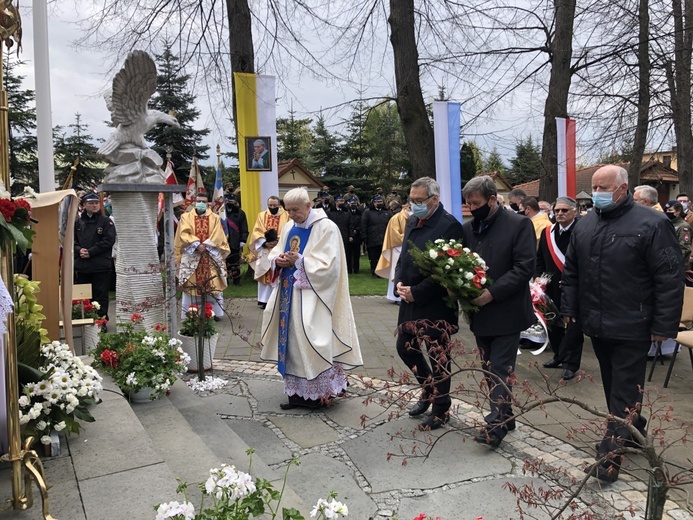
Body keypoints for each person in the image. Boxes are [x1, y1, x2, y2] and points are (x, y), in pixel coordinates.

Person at [561, 165, 684, 483]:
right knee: (615, 386)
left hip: (634, 323)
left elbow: (669, 278)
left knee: (625, 388)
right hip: (597, 323)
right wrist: (569, 309)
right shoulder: (586, 225)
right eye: (595, 187)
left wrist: (664, 326)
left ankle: (610, 453)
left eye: (604, 187)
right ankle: (634, 430)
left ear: (623, 188)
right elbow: (572, 271)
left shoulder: (653, 223)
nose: (598, 193)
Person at [260, 187, 363, 409]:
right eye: (288, 210)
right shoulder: (289, 226)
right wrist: (277, 260)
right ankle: (296, 395)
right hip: (289, 294)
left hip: (314, 298)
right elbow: (276, 250)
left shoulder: (327, 228)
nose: (291, 215)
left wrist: (300, 261)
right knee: (292, 344)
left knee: (313, 340)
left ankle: (320, 395)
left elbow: (330, 266)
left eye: (295, 210)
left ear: (309, 205)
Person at [461, 175, 536, 448]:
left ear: (493, 200)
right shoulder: (470, 229)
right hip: (480, 313)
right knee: (489, 367)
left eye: (476, 203)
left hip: (507, 310)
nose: (471, 207)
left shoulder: (519, 224)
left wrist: (493, 292)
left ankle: (496, 426)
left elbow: (524, 267)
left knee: (500, 370)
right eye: (468, 203)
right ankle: (507, 414)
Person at [395, 177, 464, 430]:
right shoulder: (413, 220)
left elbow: (446, 273)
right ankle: (428, 389)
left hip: (435, 305)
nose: (413, 205)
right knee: (405, 347)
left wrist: (417, 292)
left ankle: (441, 409)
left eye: (419, 201)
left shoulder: (449, 226)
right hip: (409, 300)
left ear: (434, 199)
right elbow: (404, 256)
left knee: (438, 358)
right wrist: (400, 283)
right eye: (411, 200)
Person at [536, 197, 584, 381]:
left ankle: (571, 364)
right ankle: (558, 355)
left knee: (573, 326)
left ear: (574, 211)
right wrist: (538, 277)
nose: (560, 214)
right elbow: (539, 258)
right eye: (557, 211)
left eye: (564, 210)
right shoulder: (548, 232)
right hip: (550, 285)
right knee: (553, 323)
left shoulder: (581, 231)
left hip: (574, 286)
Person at [174, 193, 230, 319]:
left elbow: (218, 235)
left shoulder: (215, 218)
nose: (201, 203)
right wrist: (196, 245)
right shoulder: (185, 217)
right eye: (199, 201)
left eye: (204, 201)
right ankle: (191, 313)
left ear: (208, 203)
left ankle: (214, 313)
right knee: (191, 283)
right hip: (192, 255)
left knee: (213, 282)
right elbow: (183, 234)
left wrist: (206, 245)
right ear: (194, 202)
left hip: (209, 255)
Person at [74, 193, 117, 332]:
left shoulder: (105, 221)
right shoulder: (78, 222)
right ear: (84, 205)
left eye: (96, 203)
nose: (94, 205)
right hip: (83, 266)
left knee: (100, 295)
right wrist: (79, 250)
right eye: (91, 203)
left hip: (100, 266)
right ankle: (86, 320)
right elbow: (71, 240)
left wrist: (91, 251)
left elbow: (109, 240)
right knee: (84, 295)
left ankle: (101, 321)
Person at [248, 196, 291, 309]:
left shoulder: (286, 216)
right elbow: (257, 230)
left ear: (279, 205)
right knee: (264, 271)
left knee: (277, 272)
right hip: (265, 249)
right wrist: (264, 243)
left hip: (279, 249)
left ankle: (277, 298)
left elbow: (288, 230)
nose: (272, 207)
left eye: (274, 205)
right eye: (270, 205)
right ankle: (264, 300)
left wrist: (278, 241)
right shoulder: (262, 215)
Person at [375, 202, 411, 302]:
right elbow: (395, 235)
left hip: (409, 248)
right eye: (410, 208)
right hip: (397, 249)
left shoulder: (414, 218)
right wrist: (410, 237)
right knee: (396, 273)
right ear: (406, 207)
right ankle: (396, 296)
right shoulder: (396, 218)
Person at [361, 195, 392, 277]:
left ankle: (383, 272)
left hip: (384, 239)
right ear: (374, 203)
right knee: (373, 257)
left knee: (383, 257)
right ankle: (374, 272)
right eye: (377, 202)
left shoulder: (387, 212)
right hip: (372, 238)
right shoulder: (367, 212)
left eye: (381, 202)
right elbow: (363, 225)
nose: (379, 203)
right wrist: (365, 238)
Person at [224, 194, 249, 286]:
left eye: (231, 201)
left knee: (234, 263)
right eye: (227, 201)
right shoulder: (221, 213)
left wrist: (243, 240)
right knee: (223, 262)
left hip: (235, 241)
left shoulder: (240, 213)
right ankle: (224, 281)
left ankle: (236, 281)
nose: (229, 203)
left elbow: (244, 228)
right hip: (223, 242)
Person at [664, 200, 692, 269]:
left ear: (678, 211)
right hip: (666, 261)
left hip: (677, 265)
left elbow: (684, 249)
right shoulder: (667, 223)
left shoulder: (683, 226)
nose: (667, 212)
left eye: (670, 210)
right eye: (666, 210)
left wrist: (675, 263)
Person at [345, 198, 362, 274]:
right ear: (349, 204)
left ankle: (356, 269)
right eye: (352, 203)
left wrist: (357, 230)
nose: (353, 205)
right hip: (348, 236)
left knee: (356, 254)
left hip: (357, 236)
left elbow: (362, 223)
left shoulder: (359, 213)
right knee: (348, 254)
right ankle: (349, 269)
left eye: (355, 203)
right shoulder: (347, 213)